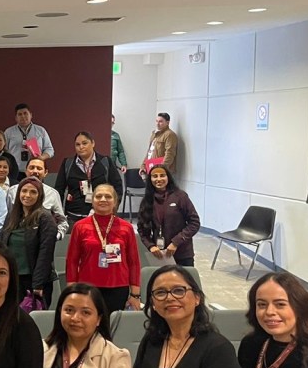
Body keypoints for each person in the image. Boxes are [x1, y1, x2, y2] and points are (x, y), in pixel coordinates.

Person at [65, 185, 141, 314]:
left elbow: (134, 262)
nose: (103, 199)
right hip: (87, 288)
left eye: (108, 196)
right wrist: (71, 291)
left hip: (118, 288)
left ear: (115, 202)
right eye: (99, 196)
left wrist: (135, 295)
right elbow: (72, 261)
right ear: (92, 200)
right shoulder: (80, 227)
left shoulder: (126, 228)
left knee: (114, 325)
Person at [0, 177, 58, 308]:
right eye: (24, 191)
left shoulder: (45, 218)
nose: (27, 195)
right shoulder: (12, 216)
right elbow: (2, 245)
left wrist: (38, 284)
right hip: (12, 278)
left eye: (33, 192)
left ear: (40, 195)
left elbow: (45, 254)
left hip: (34, 281)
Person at [53, 131, 124, 225]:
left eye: (84, 143)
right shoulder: (68, 163)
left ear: (93, 143)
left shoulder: (105, 162)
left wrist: (113, 208)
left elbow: (117, 187)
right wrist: (59, 215)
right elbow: (59, 190)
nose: (81, 147)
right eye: (77, 144)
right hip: (73, 216)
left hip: (101, 214)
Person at [136, 165, 201, 267]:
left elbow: (194, 223)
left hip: (182, 253)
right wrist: (151, 246)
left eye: (162, 175)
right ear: (150, 179)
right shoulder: (147, 201)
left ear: (168, 177)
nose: (159, 179)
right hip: (159, 255)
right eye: (155, 176)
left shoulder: (180, 196)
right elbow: (142, 229)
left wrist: (176, 242)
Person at [8, 157, 69, 239]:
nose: (35, 171)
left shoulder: (52, 194)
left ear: (45, 172)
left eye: (39, 168)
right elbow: (6, 218)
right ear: (26, 171)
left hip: (42, 240)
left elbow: (62, 222)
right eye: (31, 168)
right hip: (16, 238)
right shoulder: (12, 191)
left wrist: (55, 237)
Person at [4, 103, 55, 177]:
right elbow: (4, 151)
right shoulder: (8, 132)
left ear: (31, 115)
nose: (23, 116)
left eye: (25, 113)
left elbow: (50, 150)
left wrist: (41, 157)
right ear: (16, 118)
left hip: (35, 171)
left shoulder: (41, 130)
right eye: (20, 114)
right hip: (14, 171)